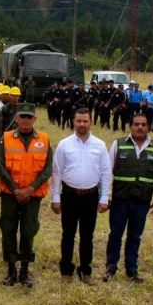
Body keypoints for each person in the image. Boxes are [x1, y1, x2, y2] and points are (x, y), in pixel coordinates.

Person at [103, 113, 153, 283]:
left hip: (142, 200)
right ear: (130, 126)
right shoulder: (118, 144)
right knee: (115, 234)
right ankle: (111, 267)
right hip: (120, 199)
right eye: (136, 124)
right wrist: (106, 195)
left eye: (143, 124)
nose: (140, 127)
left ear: (148, 127)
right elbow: (107, 171)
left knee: (135, 236)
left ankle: (132, 269)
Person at [51, 108, 112, 284]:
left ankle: (86, 271)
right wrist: (55, 198)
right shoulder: (64, 144)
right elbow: (57, 173)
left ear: (90, 122)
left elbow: (106, 173)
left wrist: (103, 198)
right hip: (69, 196)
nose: (82, 124)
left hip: (90, 197)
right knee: (68, 234)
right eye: (79, 121)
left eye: (85, 121)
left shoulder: (99, 145)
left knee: (87, 236)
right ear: (73, 122)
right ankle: (66, 271)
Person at [0, 103, 52, 288]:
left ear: (35, 119)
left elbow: (47, 169)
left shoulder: (44, 139)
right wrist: (15, 189)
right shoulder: (6, 137)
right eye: (23, 117)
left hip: (32, 195)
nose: (26, 120)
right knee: (8, 230)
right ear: (17, 118)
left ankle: (25, 270)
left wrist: (30, 189)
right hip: (10, 194)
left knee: (28, 231)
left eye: (29, 117)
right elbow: (1, 166)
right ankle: (11, 269)